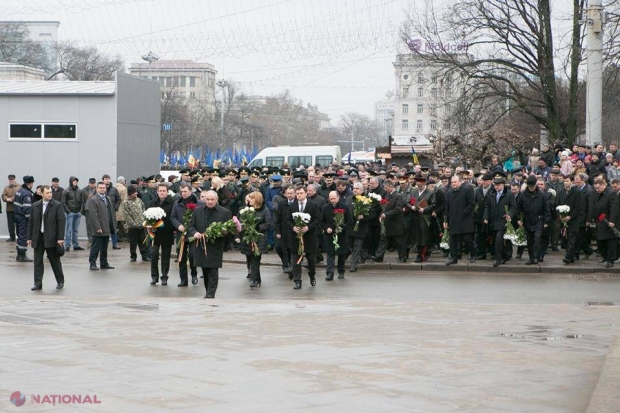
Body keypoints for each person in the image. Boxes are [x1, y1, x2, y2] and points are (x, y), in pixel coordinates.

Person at [188, 190, 232, 298]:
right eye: (208, 199)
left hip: (215, 245)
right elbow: (191, 226)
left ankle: (210, 294)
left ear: (216, 200)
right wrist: (195, 233)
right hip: (201, 244)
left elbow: (229, 229)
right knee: (205, 269)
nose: (210, 202)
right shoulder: (198, 211)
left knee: (213, 269)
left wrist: (224, 232)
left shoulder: (224, 212)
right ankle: (208, 291)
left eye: (212, 200)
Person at [26, 185, 66, 291]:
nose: (49, 194)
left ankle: (60, 281)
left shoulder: (57, 205)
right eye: (47, 193)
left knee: (54, 261)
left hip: (52, 238)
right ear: (42, 193)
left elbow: (61, 222)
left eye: (50, 193)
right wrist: (29, 237)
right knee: (37, 261)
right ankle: (38, 284)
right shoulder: (35, 206)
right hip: (38, 237)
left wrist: (60, 238)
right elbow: (31, 222)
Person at [286, 185, 321, 290]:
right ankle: (297, 281)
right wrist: (293, 227)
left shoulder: (313, 205)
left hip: (309, 237)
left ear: (306, 193)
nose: (299, 195)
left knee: (311, 260)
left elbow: (317, 219)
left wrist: (308, 227)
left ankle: (312, 275)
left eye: (301, 193)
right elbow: (287, 220)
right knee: (296, 260)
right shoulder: (292, 206)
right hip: (296, 238)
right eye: (297, 193)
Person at [235, 191, 271, 289]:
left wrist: (256, 227)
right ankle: (257, 278)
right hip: (248, 238)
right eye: (249, 198)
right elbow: (240, 223)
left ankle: (253, 280)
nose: (249, 200)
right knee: (250, 259)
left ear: (257, 200)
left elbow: (268, 224)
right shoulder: (246, 210)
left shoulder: (265, 210)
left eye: (252, 198)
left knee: (256, 259)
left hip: (259, 238)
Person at [170, 183, 199, 287]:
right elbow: (172, 217)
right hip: (181, 234)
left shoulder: (198, 203)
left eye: (185, 191)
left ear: (190, 191)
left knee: (192, 255)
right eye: (181, 192)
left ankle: (194, 273)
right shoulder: (177, 203)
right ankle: (183, 279)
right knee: (181, 257)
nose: (183, 193)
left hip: (192, 234)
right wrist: (178, 226)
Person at [517, 175, 551, 265]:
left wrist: (546, 221)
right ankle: (531, 257)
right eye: (529, 186)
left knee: (537, 238)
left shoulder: (542, 195)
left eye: (533, 186)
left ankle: (536, 256)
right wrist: (519, 219)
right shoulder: (523, 194)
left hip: (538, 219)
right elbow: (519, 208)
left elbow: (546, 209)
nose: (531, 188)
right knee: (530, 240)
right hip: (527, 220)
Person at [483, 177, 517, 267]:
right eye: (495, 185)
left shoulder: (509, 194)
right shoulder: (492, 194)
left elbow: (513, 207)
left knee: (499, 239)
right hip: (494, 221)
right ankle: (504, 256)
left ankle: (498, 259)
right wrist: (486, 217)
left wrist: (509, 214)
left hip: (503, 221)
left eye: (498, 185)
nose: (496, 187)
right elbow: (488, 207)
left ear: (503, 185)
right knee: (496, 240)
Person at [372, 179, 407, 263]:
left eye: (386, 187)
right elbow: (384, 206)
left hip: (396, 223)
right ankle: (379, 257)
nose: (385, 189)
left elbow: (398, 210)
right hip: (387, 223)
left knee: (399, 242)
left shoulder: (398, 196)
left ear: (390, 186)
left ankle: (402, 257)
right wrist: (382, 214)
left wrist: (386, 214)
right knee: (383, 240)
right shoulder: (387, 195)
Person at [320, 191, 352, 280]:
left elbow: (349, 221)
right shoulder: (325, 208)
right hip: (329, 234)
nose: (333, 200)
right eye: (331, 199)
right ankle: (329, 273)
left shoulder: (344, 207)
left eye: (334, 198)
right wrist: (326, 228)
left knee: (341, 254)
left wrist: (342, 227)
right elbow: (321, 221)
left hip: (341, 234)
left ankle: (341, 271)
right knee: (330, 254)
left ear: (338, 197)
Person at [445, 174, 476, 265]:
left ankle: (473, 253)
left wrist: (463, 213)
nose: (453, 184)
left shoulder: (467, 190)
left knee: (467, 239)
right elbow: (447, 208)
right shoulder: (449, 192)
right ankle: (454, 258)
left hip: (464, 219)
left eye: (455, 182)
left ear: (460, 182)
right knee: (453, 240)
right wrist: (446, 220)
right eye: (452, 182)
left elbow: (471, 204)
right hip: (453, 219)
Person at [148, 184, 176, 286]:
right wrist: (149, 226)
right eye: (160, 191)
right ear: (157, 192)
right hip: (155, 234)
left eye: (164, 190)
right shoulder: (153, 203)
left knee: (166, 256)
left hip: (167, 233)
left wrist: (173, 229)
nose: (162, 192)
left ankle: (164, 277)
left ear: (167, 191)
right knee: (154, 254)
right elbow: (147, 217)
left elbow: (174, 216)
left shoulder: (172, 202)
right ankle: (154, 277)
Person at [86, 182, 116, 271]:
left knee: (104, 248)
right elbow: (93, 215)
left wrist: (113, 225)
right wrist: (97, 227)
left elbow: (111, 212)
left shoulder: (108, 198)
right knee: (96, 247)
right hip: (99, 228)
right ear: (97, 189)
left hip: (107, 227)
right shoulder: (93, 200)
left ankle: (104, 263)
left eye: (104, 188)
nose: (102, 189)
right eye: (100, 188)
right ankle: (92, 263)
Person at [557, 175, 585, 264]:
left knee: (571, 239)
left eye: (568, 181)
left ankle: (567, 257)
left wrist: (570, 216)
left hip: (573, 220)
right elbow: (557, 204)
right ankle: (572, 256)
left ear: (572, 182)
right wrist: (560, 216)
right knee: (565, 240)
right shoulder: (561, 192)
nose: (565, 183)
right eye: (564, 181)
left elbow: (578, 207)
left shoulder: (577, 192)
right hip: (563, 220)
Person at [592, 178, 619, 268]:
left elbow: (614, 208)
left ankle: (610, 260)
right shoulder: (597, 194)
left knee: (611, 242)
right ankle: (606, 256)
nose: (597, 190)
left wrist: (612, 221)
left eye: (598, 188)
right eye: (595, 188)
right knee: (600, 241)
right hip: (600, 221)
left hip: (609, 222)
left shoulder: (611, 194)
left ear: (603, 185)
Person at [121, 185, 150, 263]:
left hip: (141, 225)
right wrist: (133, 223)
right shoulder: (125, 202)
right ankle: (133, 256)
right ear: (130, 194)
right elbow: (126, 215)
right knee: (133, 242)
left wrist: (144, 220)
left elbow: (143, 209)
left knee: (143, 242)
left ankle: (145, 256)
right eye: (135, 192)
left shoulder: (139, 200)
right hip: (132, 227)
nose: (136, 193)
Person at [14, 175, 35, 262]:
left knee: (19, 235)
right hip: (23, 218)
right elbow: (27, 209)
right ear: (30, 184)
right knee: (24, 236)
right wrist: (30, 220)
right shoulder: (26, 193)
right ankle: (22, 255)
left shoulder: (19, 191)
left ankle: (19, 255)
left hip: (17, 216)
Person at [61, 176, 84, 251]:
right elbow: (63, 202)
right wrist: (68, 211)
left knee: (75, 230)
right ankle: (67, 245)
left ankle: (76, 245)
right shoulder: (66, 191)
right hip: (70, 213)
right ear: (71, 181)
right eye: (74, 181)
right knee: (69, 229)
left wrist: (80, 210)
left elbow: (82, 201)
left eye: (76, 181)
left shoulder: (80, 191)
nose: (75, 182)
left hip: (78, 213)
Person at [102, 174, 121, 250]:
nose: (107, 180)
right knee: (103, 229)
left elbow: (118, 199)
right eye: (105, 179)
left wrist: (115, 208)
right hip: (103, 213)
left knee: (113, 228)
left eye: (108, 179)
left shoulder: (114, 189)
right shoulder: (101, 189)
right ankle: (103, 245)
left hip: (112, 213)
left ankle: (115, 244)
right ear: (103, 180)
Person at [2, 174, 18, 242]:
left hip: (18, 209)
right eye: (10, 179)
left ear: (15, 179)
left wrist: (14, 198)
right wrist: (7, 199)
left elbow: (21, 194)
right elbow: (3, 195)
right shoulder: (6, 188)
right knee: (10, 224)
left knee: (18, 223)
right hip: (9, 208)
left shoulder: (19, 187)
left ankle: (20, 236)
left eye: (12, 179)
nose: (11, 181)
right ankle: (12, 237)